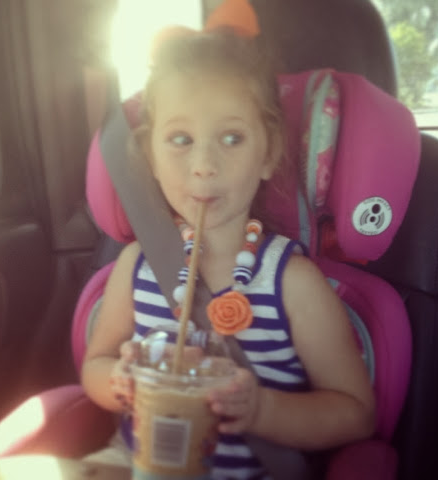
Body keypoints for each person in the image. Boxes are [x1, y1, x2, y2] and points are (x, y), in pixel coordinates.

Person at [81, 5, 375, 479]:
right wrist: (120, 379)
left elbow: (355, 413)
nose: (204, 165)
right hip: (136, 463)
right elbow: (96, 363)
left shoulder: (292, 283)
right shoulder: (137, 264)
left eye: (232, 138)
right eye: (180, 139)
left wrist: (262, 411)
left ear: (269, 153)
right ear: (149, 155)